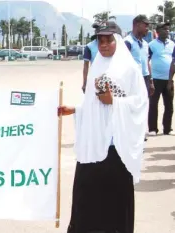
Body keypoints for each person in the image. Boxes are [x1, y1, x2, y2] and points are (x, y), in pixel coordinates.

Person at [59, 22, 148, 233]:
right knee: (87, 196)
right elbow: (92, 104)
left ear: (117, 40)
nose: (104, 44)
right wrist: (74, 109)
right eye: (100, 40)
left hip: (116, 147)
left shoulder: (129, 69)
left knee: (114, 200)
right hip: (94, 144)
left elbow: (140, 103)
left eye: (109, 40)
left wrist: (114, 102)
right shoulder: (96, 67)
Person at [148, 22, 175, 136]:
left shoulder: (172, 44)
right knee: (153, 104)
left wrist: (170, 80)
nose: (167, 31)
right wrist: (150, 79)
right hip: (156, 79)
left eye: (168, 29)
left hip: (169, 79)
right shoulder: (151, 45)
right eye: (165, 29)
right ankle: (153, 129)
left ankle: (167, 128)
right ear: (158, 32)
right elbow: (147, 61)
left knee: (169, 105)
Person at [125, 15, 155, 96]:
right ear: (137, 25)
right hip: (132, 80)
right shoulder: (127, 42)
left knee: (145, 105)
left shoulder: (145, 44)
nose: (147, 28)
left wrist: (151, 81)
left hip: (145, 78)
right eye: (146, 25)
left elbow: (147, 62)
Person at [82, 23, 100, 93]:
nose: (97, 31)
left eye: (99, 29)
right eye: (96, 29)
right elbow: (86, 66)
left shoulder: (111, 45)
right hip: (94, 79)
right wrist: (85, 83)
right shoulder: (89, 46)